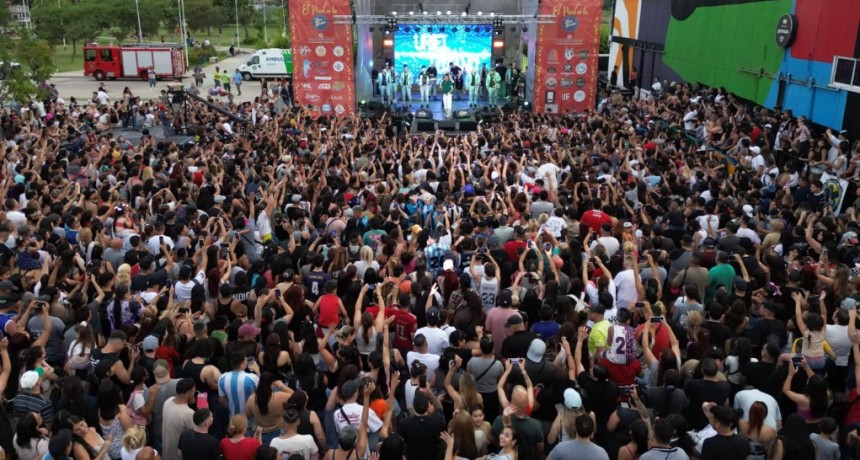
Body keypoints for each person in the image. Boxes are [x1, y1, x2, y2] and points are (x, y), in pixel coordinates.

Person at [161, 378, 196, 460]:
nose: (194, 393)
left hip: (166, 452)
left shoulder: (168, 401)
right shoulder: (188, 413)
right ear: (187, 393)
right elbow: (197, 434)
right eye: (193, 391)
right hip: (178, 456)